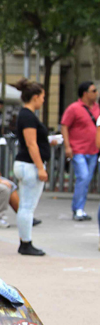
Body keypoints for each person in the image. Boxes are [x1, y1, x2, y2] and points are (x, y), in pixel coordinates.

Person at [14, 79, 55, 256]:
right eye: (43, 97)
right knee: (27, 207)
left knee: (25, 206)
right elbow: (31, 144)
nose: (44, 100)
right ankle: (26, 242)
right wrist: (40, 167)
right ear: (36, 97)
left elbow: (32, 142)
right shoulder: (28, 116)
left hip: (25, 164)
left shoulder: (25, 115)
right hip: (29, 165)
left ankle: (25, 241)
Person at [60, 81, 98, 221]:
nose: (96, 93)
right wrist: (67, 146)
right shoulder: (74, 108)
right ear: (85, 93)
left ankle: (80, 208)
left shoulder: (97, 108)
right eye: (93, 91)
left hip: (93, 150)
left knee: (86, 179)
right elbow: (64, 126)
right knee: (83, 177)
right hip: (78, 150)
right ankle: (77, 209)